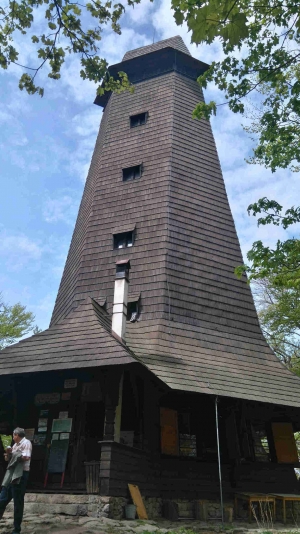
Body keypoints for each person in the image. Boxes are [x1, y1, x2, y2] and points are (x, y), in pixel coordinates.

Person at [0, 428, 32, 534]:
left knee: (18, 502)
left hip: (21, 475)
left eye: (14, 435)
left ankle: (16, 529)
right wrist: (8, 454)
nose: (13, 438)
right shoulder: (15, 445)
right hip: (11, 474)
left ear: (17, 435)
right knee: (2, 498)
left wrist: (14, 455)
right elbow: (9, 460)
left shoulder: (26, 443)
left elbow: (26, 457)